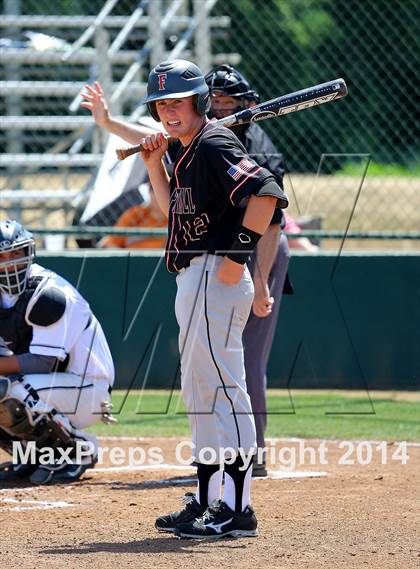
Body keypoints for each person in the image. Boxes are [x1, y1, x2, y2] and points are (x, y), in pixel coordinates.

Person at [82, 59, 288, 540]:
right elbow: (167, 211)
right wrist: (154, 164)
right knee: (199, 393)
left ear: (198, 101)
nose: (168, 112)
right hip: (192, 277)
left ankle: (238, 509)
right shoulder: (185, 151)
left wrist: (238, 260)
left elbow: (267, 194)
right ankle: (206, 497)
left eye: (177, 102)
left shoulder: (214, 141)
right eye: (161, 104)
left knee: (223, 388)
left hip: (216, 273)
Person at [205, 64, 293, 476]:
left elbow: (271, 225)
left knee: (248, 354)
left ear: (247, 104)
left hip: (261, 251)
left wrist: (260, 285)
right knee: (217, 351)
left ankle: (252, 453)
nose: (220, 109)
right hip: (226, 252)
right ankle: (225, 446)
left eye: (228, 102)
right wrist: (107, 122)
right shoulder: (207, 140)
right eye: (214, 101)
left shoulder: (258, 149)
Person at [0, 220, 115, 485]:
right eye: (2, 256)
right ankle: (32, 455)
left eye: (15, 253)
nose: (9, 262)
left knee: (11, 389)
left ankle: (79, 450)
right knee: (10, 386)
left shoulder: (49, 294)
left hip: (88, 389)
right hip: (50, 387)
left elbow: (41, 362)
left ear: (28, 251)